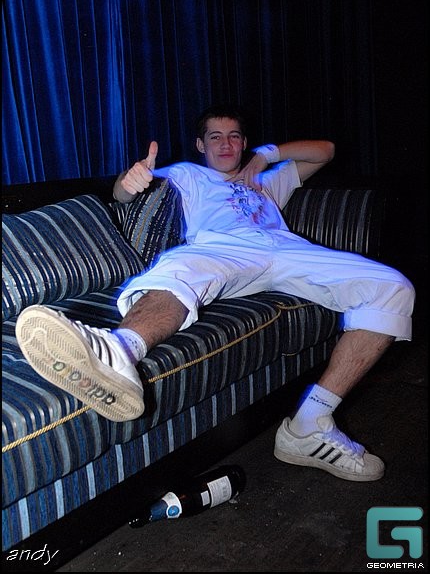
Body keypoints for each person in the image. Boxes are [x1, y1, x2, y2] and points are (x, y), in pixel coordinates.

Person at [16, 104, 415, 482]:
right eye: (216, 137)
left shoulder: (267, 181)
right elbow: (124, 192)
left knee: (393, 288)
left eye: (234, 136)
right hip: (222, 249)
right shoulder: (189, 174)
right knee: (180, 268)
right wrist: (127, 184)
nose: (226, 145)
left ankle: (310, 424)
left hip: (287, 250)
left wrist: (266, 155)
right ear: (200, 145)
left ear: (244, 143)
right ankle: (118, 353)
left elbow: (325, 151)